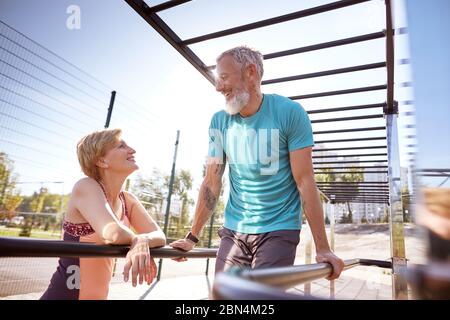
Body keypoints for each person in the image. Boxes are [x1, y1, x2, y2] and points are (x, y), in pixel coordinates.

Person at [170, 46, 344, 280]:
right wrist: (192, 236)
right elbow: (212, 181)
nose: (218, 87)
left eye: (223, 77)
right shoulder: (219, 121)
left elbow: (304, 181)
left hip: (279, 228)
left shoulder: (290, 112)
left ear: (250, 72)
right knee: (224, 297)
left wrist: (323, 248)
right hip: (234, 228)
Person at [41, 129, 166, 300]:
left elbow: (159, 235)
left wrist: (143, 240)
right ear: (101, 161)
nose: (132, 150)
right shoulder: (86, 186)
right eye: (121, 146)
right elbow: (113, 233)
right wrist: (137, 240)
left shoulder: (127, 200)